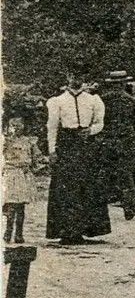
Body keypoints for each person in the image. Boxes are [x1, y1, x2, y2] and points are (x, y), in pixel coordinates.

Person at [45, 70, 111, 245]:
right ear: (67, 77)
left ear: (84, 79)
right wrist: (52, 151)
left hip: (86, 145)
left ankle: (85, 229)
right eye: (73, 76)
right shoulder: (57, 101)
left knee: (87, 186)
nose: (76, 79)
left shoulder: (93, 100)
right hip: (66, 145)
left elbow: (100, 122)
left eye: (80, 76)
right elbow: (52, 128)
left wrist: (90, 131)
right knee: (66, 188)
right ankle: (67, 231)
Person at [99, 71, 135, 220]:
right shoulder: (132, 101)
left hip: (107, 140)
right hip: (125, 141)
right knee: (126, 175)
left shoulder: (103, 100)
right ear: (124, 83)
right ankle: (129, 207)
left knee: (104, 174)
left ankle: (100, 208)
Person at [3, 111, 42, 244]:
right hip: (10, 174)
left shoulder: (29, 141)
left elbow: (37, 158)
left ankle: (19, 233)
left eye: (19, 124)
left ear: (24, 125)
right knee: (11, 205)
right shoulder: (5, 141)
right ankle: (8, 231)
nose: (16, 128)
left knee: (20, 207)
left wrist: (35, 165)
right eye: (13, 125)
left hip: (23, 175)